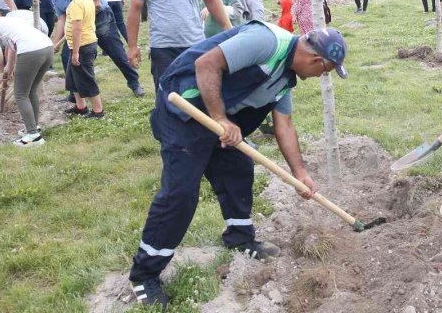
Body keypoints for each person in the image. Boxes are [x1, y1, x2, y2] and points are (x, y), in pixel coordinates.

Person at [127, 23, 349, 308]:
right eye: (325, 72)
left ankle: (240, 237)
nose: (321, 76)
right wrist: (221, 119)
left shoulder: (285, 79)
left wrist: (301, 174)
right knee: (180, 193)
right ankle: (144, 273)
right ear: (318, 61)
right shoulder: (267, 42)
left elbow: (285, 127)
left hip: (219, 118)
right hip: (184, 106)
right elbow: (207, 63)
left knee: (238, 168)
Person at [32, 0, 146, 98]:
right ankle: (75, 95)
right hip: (77, 27)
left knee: (115, 51)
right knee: (67, 56)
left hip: (99, 17)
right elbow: (62, 18)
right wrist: (55, 43)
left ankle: (134, 83)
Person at [0, 4, 54, 145]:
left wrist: (0, 72)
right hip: (47, 48)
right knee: (30, 91)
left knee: (20, 94)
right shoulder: (8, 21)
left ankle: (33, 136)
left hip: (31, 51)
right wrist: (8, 70)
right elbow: (11, 50)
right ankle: (33, 127)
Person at [59, 0, 104, 118]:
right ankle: (81, 107)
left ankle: (98, 111)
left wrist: (76, 52)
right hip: (80, 45)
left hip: (82, 46)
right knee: (73, 79)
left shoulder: (77, 3)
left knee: (86, 78)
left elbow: (77, 29)